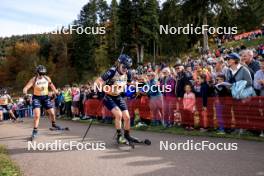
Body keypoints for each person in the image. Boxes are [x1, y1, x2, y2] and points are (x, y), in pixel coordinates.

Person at [94, 54, 137, 145]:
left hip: (118, 95)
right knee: (119, 114)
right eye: (124, 66)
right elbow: (98, 81)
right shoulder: (112, 71)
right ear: (119, 64)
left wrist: (138, 85)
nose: (125, 69)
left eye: (128, 67)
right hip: (107, 96)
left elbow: (129, 83)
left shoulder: (128, 73)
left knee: (127, 117)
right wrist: (105, 87)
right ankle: (119, 136)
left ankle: (127, 135)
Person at [23, 65, 62, 140]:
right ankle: (35, 130)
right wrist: (25, 92)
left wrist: (56, 92)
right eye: (41, 74)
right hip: (36, 98)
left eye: (44, 74)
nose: (42, 75)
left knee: (52, 113)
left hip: (45, 97)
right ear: (37, 73)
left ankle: (54, 124)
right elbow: (26, 87)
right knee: (37, 115)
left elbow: (52, 86)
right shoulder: (34, 79)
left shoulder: (47, 78)